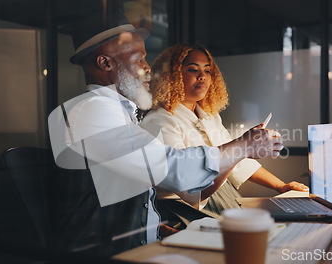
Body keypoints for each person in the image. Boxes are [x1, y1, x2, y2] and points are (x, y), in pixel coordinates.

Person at [47, 17, 284, 257]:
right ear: (105, 63)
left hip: (133, 245)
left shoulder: (116, 113)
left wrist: (157, 229)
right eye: (138, 58)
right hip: (104, 255)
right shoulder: (93, 110)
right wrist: (243, 146)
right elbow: (172, 169)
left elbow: (125, 194)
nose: (148, 67)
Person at [140, 44, 308, 224]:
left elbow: (240, 165)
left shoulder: (209, 117)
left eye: (207, 70)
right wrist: (242, 147)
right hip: (185, 210)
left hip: (220, 196)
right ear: (171, 76)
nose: (202, 76)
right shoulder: (158, 121)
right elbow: (193, 190)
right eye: (192, 69)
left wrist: (281, 186)